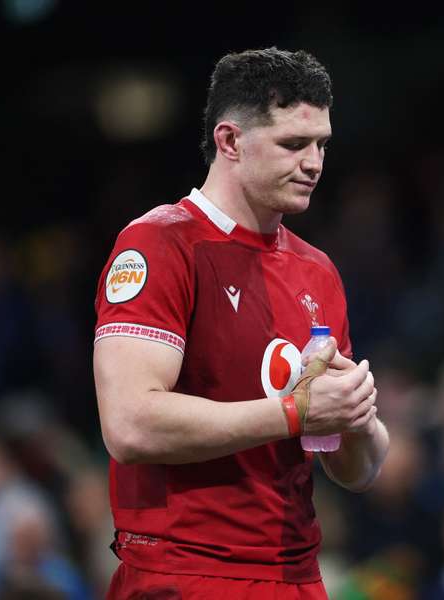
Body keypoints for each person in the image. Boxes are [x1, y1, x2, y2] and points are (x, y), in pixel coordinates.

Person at [92, 47, 389, 599]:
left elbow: (356, 469)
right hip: (187, 573)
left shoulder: (316, 270)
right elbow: (129, 425)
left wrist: (357, 415)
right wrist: (294, 411)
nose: (315, 163)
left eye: (322, 143)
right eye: (293, 144)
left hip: (298, 576)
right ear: (229, 141)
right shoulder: (158, 245)